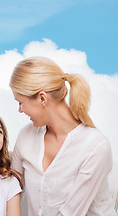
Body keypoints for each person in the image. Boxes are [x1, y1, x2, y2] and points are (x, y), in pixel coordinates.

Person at [9, 56, 115, 216]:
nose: (20, 110)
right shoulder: (26, 136)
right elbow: (11, 190)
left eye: (20, 102)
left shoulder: (95, 147)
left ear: (42, 98)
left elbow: (70, 213)